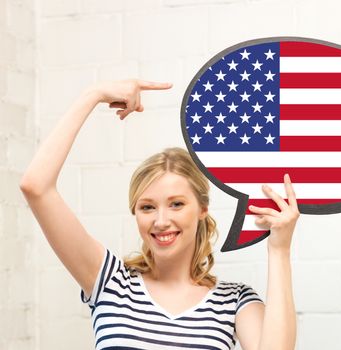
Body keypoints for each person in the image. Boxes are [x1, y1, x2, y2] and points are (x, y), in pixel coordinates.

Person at [19, 79, 299, 350]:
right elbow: (36, 186)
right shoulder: (111, 282)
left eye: (176, 204)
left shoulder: (233, 300)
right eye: (147, 207)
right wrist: (94, 94)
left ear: (202, 208)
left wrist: (279, 249)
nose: (161, 220)